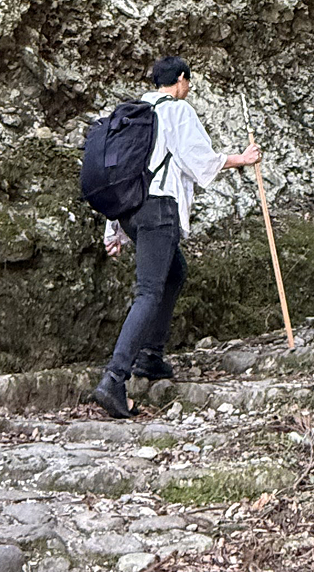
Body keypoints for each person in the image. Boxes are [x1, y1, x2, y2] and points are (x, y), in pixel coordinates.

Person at [92, 55, 260, 419]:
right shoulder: (177, 112)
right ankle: (114, 379)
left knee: (174, 273)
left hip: (131, 212)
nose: (189, 88)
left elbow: (117, 173)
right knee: (149, 291)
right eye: (189, 82)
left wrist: (114, 227)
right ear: (181, 80)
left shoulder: (131, 114)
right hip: (159, 210)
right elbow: (199, 161)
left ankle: (151, 357)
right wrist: (242, 159)